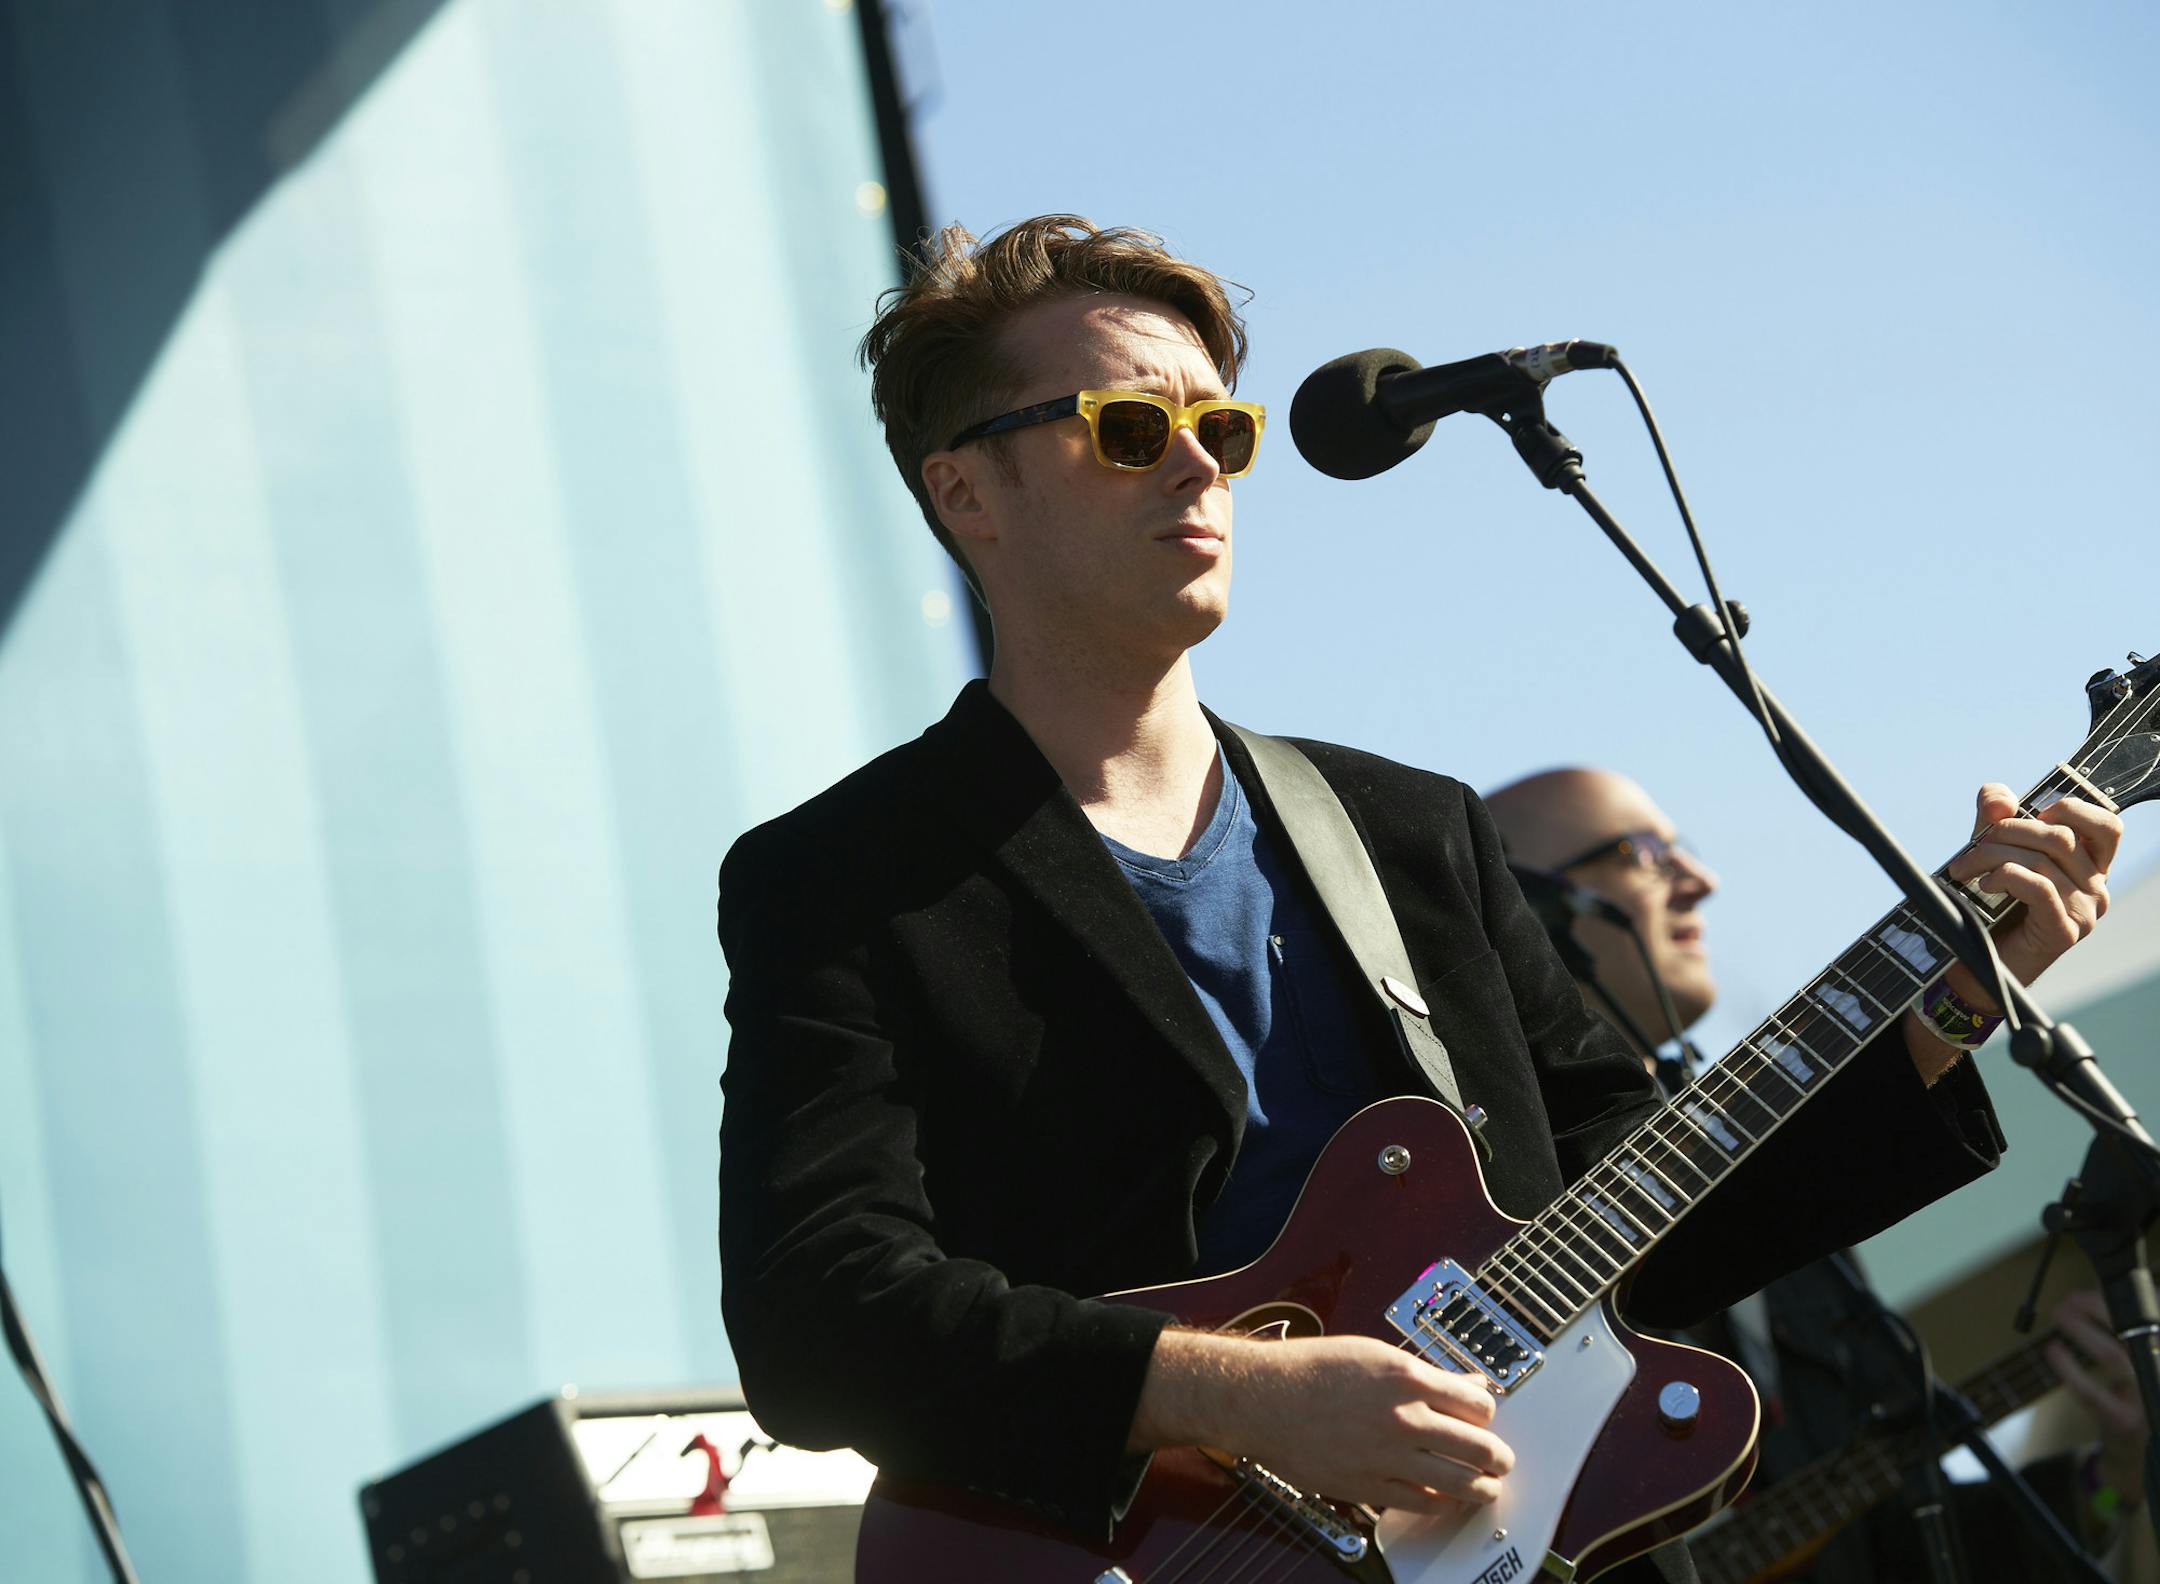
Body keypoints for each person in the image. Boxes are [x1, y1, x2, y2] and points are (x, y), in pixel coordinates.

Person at [714, 216, 2120, 1582]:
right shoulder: (851, 878)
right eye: (1130, 429)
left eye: (1227, 429)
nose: (1198, 463)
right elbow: (819, 1313)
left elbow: (1646, 1213)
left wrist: (1931, 1016)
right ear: (967, 492)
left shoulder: (1406, 829)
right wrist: (1229, 1396)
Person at [1485, 767, 2144, 1581]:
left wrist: (2110, 1477)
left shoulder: (1776, 1178)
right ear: (1514, 902)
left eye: (1681, 849)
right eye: (1642, 853)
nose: (1701, 878)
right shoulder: (1475, 1186)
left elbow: (1905, 1543)